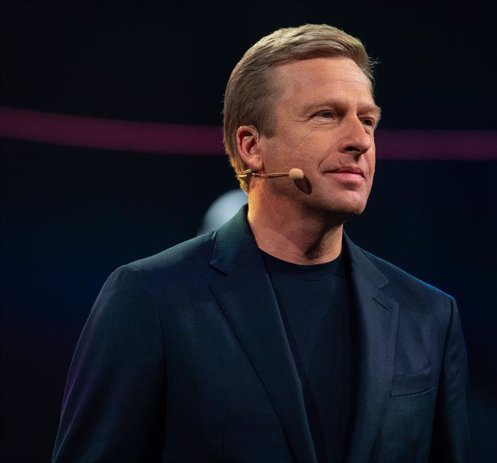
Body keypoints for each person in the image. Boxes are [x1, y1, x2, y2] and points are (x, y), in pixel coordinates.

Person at [52, 24, 470, 462]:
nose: (359, 140)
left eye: (368, 120)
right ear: (251, 146)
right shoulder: (151, 298)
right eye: (326, 115)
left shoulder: (429, 316)